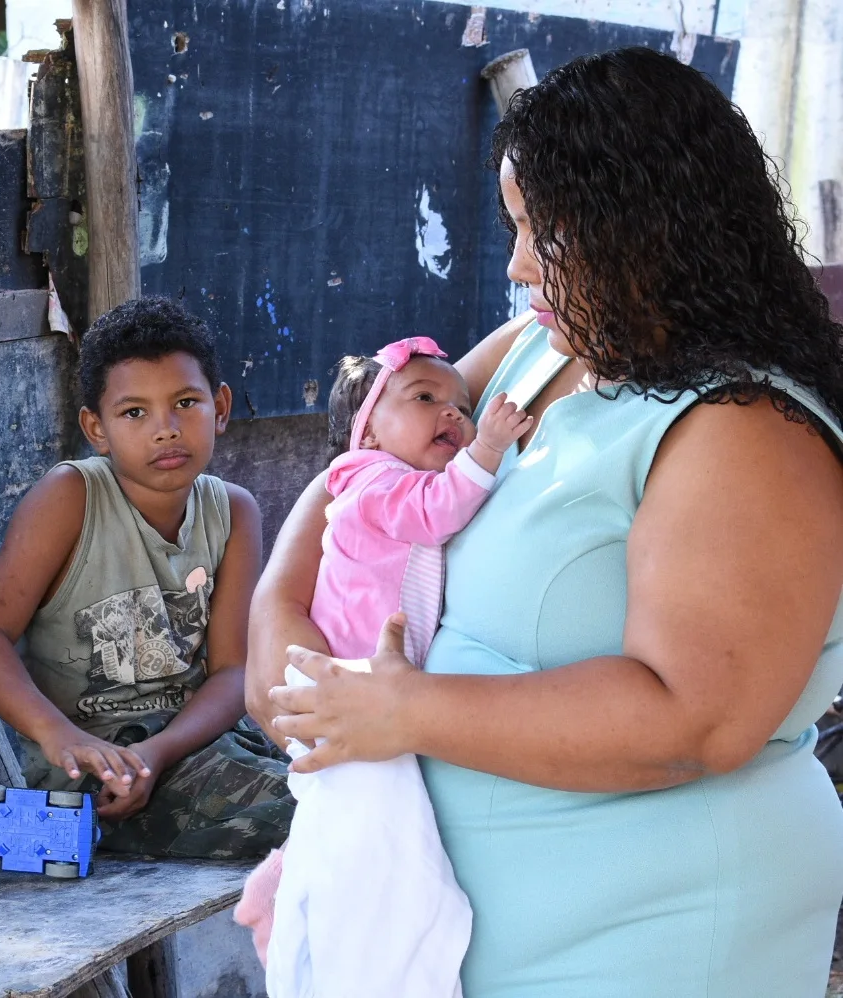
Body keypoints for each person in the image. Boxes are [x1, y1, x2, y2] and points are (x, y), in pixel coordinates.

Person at [248, 47, 843, 997]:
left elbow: (698, 718)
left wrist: (397, 713)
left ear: (650, 229)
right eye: (515, 227)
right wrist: (284, 639)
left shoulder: (745, 434)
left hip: (653, 939)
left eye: (546, 233)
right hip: (469, 932)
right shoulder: (539, 348)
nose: (520, 265)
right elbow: (358, 467)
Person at [238, 338, 531, 998]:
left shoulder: (397, 476)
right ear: (367, 428)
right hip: (352, 689)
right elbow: (433, 514)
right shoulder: (370, 480)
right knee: (384, 852)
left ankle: (295, 881)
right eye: (424, 399)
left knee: (368, 838)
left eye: (461, 405)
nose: (451, 414)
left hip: (370, 694)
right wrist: (487, 447)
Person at [0, 297, 293, 859]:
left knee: (346, 788)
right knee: (310, 816)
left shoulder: (234, 512)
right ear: (96, 427)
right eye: (134, 412)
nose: (165, 429)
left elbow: (234, 671)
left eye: (186, 402)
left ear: (220, 407)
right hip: (86, 767)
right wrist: (58, 735)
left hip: (190, 747)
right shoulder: (70, 498)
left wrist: (161, 752)